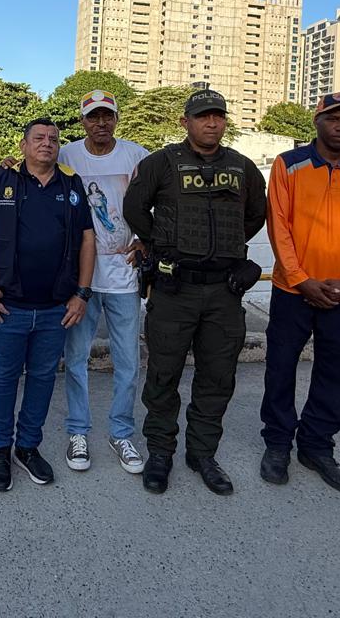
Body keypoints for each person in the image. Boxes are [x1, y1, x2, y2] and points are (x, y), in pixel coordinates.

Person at [123, 86, 266, 496]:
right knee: (163, 375)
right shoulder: (162, 163)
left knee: (217, 377)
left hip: (224, 292)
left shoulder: (241, 167)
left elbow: (257, 213)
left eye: (218, 116)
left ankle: (202, 453)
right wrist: (159, 242)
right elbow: (134, 208)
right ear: (185, 122)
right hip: (174, 289)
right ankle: (161, 452)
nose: (211, 123)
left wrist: (229, 247)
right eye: (203, 116)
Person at [258, 92, 340, 492]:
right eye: (334, 118)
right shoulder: (289, 165)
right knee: (281, 367)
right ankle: (278, 442)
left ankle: (317, 445)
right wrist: (301, 279)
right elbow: (278, 226)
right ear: (317, 121)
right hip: (293, 291)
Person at [0, 117, 95, 492]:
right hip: (7, 306)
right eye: (38, 138)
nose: (47, 144)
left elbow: (88, 240)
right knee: (4, 379)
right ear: (24, 145)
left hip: (56, 307)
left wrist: (83, 293)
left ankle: (28, 447)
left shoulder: (71, 184)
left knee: (41, 380)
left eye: (53, 139)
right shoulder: (1, 180)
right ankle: (0, 451)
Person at [56, 89, 150, 474]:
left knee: (127, 359)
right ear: (83, 121)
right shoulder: (66, 155)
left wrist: (146, 237)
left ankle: (121, 432)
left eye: (107, 116)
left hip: (123, 273)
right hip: (82, 277)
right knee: (75, 358)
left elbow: (154, 202)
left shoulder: (136, 155)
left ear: (116, 119)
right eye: (93, 117)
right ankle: (78, 431)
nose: (100, 123)